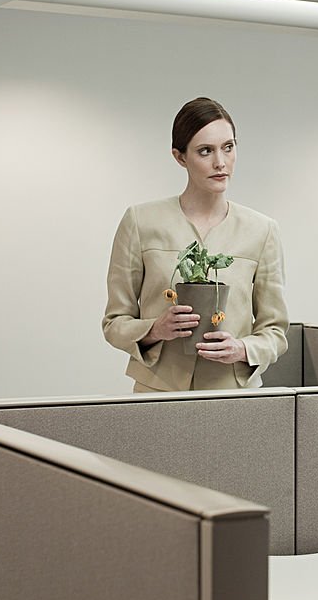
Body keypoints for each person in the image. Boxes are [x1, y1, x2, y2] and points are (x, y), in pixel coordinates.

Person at [102, 97, 289, 392]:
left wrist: (242, 349)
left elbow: (275, 331)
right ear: (180, 157)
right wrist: (154, 329)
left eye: (228, 147)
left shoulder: (262, 230)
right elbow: (114, 323)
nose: (220, 162)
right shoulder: (140, 222)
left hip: (232, 395)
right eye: (206, 151)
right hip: (158, 393)